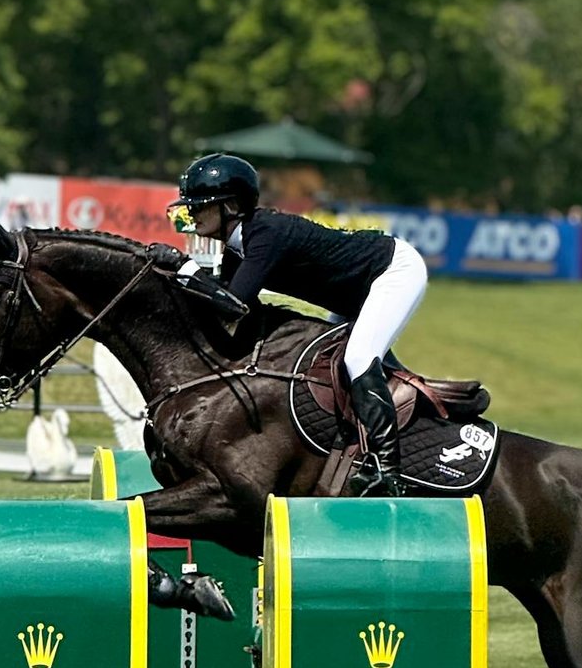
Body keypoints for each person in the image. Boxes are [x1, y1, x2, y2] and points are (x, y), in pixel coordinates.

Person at [167, 152, 428, 495]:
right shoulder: (238, 247)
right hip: (355, 294)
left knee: (358, 358)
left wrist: (185, 270)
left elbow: (233, 305)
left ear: (230, 206)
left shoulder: (265, 234)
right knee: (336, 363)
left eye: (200, 206)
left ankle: (389, 472)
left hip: (392, 271)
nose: (192, 214)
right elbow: (226, 308)